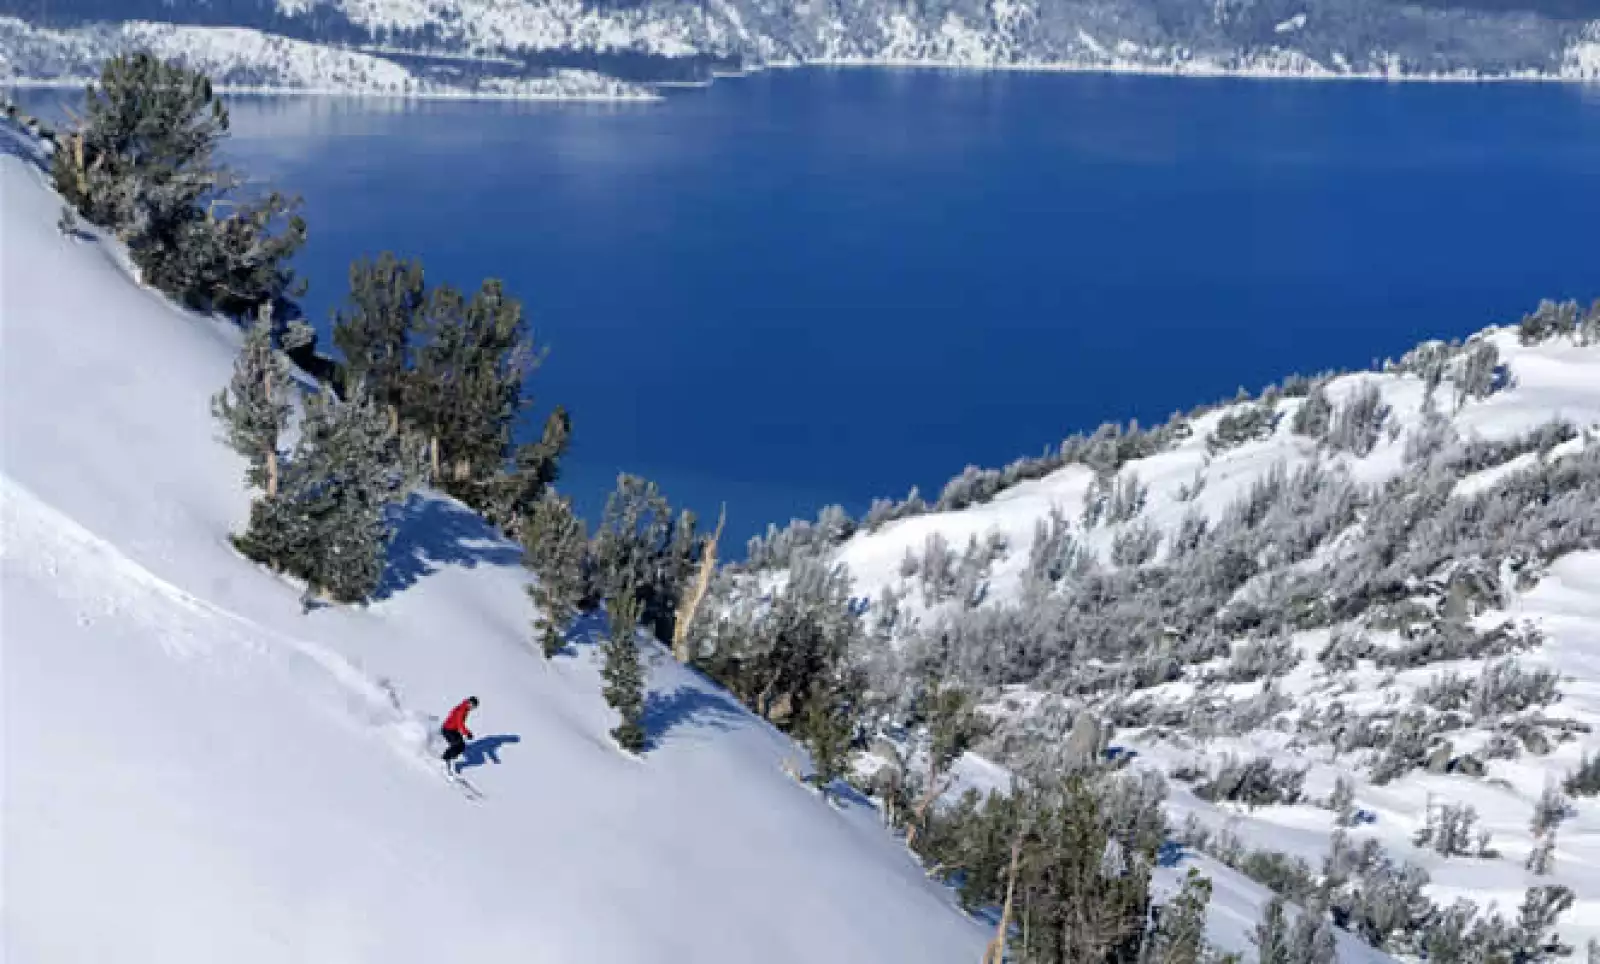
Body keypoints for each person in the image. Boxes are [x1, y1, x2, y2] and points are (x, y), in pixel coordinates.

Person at [441, 696, 478, 773]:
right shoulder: (462, 710)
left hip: (453, 730)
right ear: (469, 703)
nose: (473, 708)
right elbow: (460, 724)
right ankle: (444, 759)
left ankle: (451, 760)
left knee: (462, 746)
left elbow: (458, 724)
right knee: (456, 744)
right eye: (473, 706)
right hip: (448, 729)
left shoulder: (465, 708)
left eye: (474, 707)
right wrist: (467, 733)